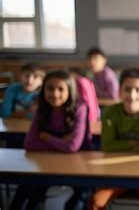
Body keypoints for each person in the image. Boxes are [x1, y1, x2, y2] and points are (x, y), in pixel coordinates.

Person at [9, 70, 92, 210]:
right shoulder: (41, 109)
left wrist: (47, 137)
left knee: (75, 204)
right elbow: (29, 144)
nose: (55, 94)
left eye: (61, 89)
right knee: (24, 193)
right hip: (47, 163)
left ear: (70, 91)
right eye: (50, 88)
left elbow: (73, 147)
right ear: (43, 90)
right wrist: (61, 142)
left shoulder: (80, 108)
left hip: (78, 165)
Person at [89, 68, 139, 210]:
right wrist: (137, 144)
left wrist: (122, 144)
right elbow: (107, 146)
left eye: (138, 90)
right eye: (127, 89)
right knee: (95, 202)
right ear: (120, 91)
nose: (132, 96)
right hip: (115, 174)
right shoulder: (110, 112)